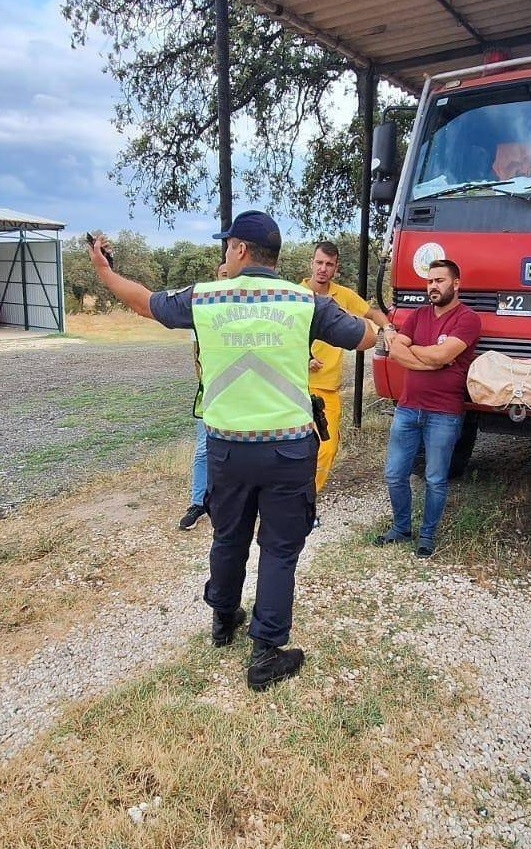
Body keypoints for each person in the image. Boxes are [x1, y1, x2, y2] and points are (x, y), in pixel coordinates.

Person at [89, 211, 375, 691]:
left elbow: (145, 303)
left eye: (228, 245)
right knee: (279, 549)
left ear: (240, 249)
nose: (226, 252)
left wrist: (104, 270)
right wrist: (379, 329)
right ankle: (266, 651)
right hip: (288, 450)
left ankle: (223, 620)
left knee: (228, 537)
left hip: (227, 449)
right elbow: (362, 336)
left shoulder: (206, 297)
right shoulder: (305, 301)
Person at [375, 259, 482, 558]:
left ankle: (427, 536)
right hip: (407, 408)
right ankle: (401, 529)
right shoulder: (418, 315)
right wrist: (430, 360)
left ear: (456, 284)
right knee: (394, 474)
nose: (433, 286)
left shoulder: (468, 319)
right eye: (429, 281)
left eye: (440, 280)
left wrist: (421, 353)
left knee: (435, 478)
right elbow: (397, 351)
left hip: (444, 413)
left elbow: (442, 355)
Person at [301, 242, 388, 498]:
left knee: (327, 447)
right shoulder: (295, 295)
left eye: (329, 264)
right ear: (311, 263)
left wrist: (389, 329)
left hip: (328, 388)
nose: (323, 269)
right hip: (296, 385)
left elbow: (374, 314)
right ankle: (292, 499)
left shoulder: (343, 295)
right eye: (319, 263)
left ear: (336, 268)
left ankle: (308, 497)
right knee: (295, 447)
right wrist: (304, 357)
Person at [180, 262, 233, 531]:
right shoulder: (204, 312)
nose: (227, 279)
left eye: (230, 275)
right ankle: (198, 502)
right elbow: (197, 358)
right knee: (204, 449)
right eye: (223, 275)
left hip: (241, 394)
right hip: (212, 393)